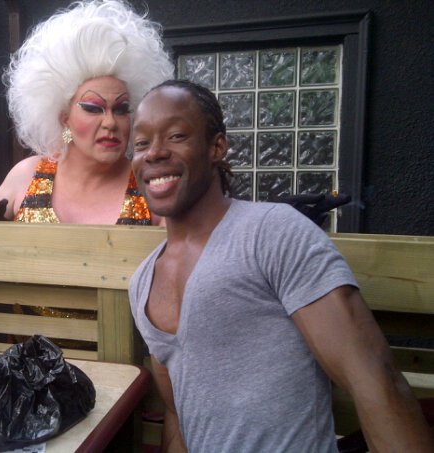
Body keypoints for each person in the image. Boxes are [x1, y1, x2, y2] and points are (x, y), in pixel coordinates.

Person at [128, 80, 433, 452]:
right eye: (141, 143)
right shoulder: (142, 282)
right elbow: (178, 415)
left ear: (216, 147)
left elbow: (373, 377)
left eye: (176, 136)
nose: (154, 153)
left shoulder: (274, 233)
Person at [0, 0, 173, 226]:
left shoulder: (150, 184)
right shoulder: (26, 175)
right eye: (93, 108)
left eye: (121, 109)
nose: (110, 122)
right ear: (64, 118)